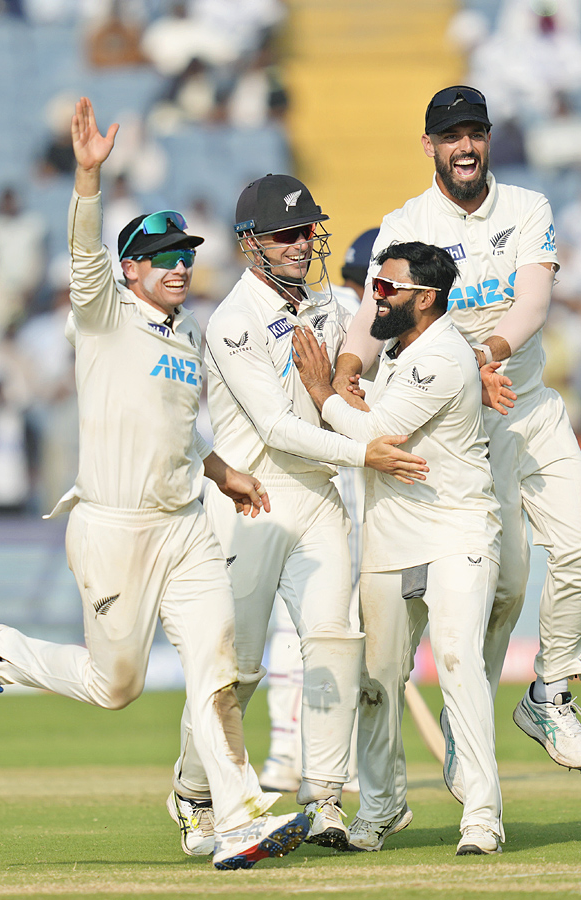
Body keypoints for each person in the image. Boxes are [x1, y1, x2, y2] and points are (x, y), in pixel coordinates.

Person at [0, 97, 309, 870]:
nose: (179, 264)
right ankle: (1, 655)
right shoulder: (102, 313)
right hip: (111, 527)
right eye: (163, 255)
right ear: (131, 267)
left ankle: (230, 816)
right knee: (116, 688)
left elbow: (175, 430)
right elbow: (82, 255)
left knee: (218, 666)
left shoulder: (191, 332)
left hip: (183, 527)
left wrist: (225, 472)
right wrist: (87, 181)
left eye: (186, 253)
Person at [335, 86, 581, 788]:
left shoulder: (526, 207)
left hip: (529, 403)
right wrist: (345, 369)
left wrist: (488, 355)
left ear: (487, 140)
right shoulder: (406, 222)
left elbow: (532, 301)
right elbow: (375, 313)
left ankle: (550, 695)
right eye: (450, 135)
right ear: (429, 145)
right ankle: (469, 732)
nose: (464, 146)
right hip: (463, 428)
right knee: (507, 589)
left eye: (474, 133)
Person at [168, 177, 427, 856]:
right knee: (237, 671)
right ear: (250, 243)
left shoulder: (326, 301)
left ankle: (327, 800)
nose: (302, 242)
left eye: (308, 230)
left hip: (317, 494)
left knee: (334, 643)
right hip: (252, 501)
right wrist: (363, 450)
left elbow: (368, 365)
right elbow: (280, 428)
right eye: (287, 233)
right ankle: (194, 796)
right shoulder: (232, 322)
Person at [292, 240, 504, 854]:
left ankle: (482, 816)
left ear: (426, 298)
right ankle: (382, 806)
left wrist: (323, 390)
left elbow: (380, 432)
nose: (374, 298)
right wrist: (351, 399)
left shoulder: (441, 354)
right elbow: (374, 420)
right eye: (373, 286)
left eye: (387, 288)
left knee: (459, 663)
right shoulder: (397, 351)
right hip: (389, 533)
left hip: (456, 527)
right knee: (376, 679)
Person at [260, 225, 379, 795]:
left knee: (295, 628)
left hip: (296, 480)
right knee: (335, 630)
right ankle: (338, 761)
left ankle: (287, 752)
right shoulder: (362, 321)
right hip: (343, 483)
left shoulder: (326, 307)